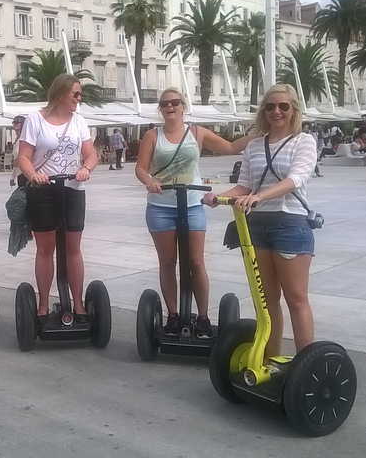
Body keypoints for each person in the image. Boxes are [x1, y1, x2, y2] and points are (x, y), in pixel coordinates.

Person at [203, 84, 317, 358]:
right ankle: (270, 359)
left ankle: (306, 364)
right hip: (256, 227)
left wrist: (259, 197)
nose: (276, 111)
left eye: (283, 107)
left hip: (290, 226)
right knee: (266, 301)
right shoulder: (255, 145)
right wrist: (219, 197)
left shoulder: (304, 141)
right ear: (264, 111)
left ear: (293, 111)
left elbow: (295, 180)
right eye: (270, 106)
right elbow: (244, 185)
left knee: (296, 299)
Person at [135, 88, 255, 339]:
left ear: (183, 106)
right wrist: (148, 181)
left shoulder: (197, 133)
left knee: (196, 263)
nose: (170, 106)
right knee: (167, 263)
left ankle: (202, 317)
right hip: (161, 207)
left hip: (192, 205)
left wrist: (259, 131)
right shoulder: (152, 135)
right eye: (165, 103)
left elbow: (231, 147)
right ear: (161, 108)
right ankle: (173, 315)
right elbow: (140, 168)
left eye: (175, 102)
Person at [17, 74, 98, 322]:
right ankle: (42, 304)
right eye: (75, 94)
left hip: (72, 189)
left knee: (73, 248)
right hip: (43, 191)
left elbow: (91, 154)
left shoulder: (79, 121)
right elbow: (23, 157)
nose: (78, 98)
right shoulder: (35, 120)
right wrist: (33, 176)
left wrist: (86, 169)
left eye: (80, 94)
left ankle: (78, 303)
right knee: (46, 248)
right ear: (61, 93)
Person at [10, 115, 27, 188]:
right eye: (13, 122)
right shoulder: (17, 140)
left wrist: (18, 159)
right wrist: (12, 177)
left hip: (26, 172)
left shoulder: (26, 139)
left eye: (17, 122)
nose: (14, 124)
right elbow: (15, 162)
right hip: (19, 173)